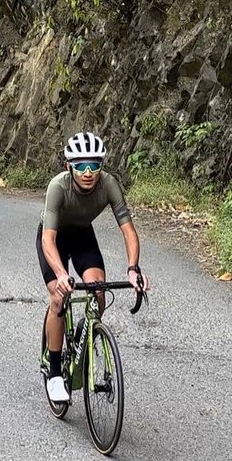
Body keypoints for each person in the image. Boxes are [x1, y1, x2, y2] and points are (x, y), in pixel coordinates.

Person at [38, 131, 150, 403]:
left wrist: (133, 268)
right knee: (58, 297)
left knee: (98, 292)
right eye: (80, 166)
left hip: (82, 236)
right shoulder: (58, 187)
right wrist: (62, 275)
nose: (88, 172)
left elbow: (129, 231)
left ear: (102, 166)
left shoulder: (109, 185)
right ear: (69, 167)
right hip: (55, 239)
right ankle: (54, 372)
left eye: (94, 166)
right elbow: (47, 239)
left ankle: (83, 336)